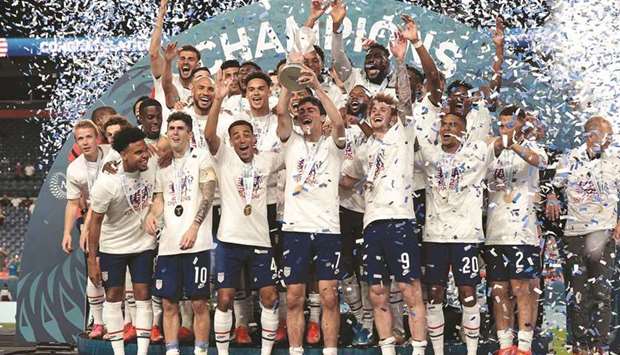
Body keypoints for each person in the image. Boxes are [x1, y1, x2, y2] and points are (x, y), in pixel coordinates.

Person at [341, 27, 428, 354]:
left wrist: (401, 60)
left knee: (409, 288)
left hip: (400, 222)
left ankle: (419, 349)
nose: (376, 111)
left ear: (393, 116)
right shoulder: (362, 147)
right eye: (373, 109)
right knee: (376, 291)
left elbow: (404, 97)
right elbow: (346, 179)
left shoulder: (403, 132)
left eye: (383, 109)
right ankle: (388, 347)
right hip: (371, 225)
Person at [417, 111, 510, 355]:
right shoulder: (429, 154)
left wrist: (512, 133)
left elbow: (501, 143)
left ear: (463, 131)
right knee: (434, 294)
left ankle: (471, 351)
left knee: (467, 293)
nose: (447, 128)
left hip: (466, 236)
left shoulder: (477, 152)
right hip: (434, 236)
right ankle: (437, 352)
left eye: (453, 125)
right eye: (444, 124)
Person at [206, 72, 283, 355]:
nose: (241, 139)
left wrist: (284, 94)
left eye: (246, 134)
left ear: (254, 139)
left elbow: (286, 135)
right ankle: (223, 352)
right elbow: (208, 135)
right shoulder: (224, 158)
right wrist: (218, 99)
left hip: (260, 240)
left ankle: (266, 352)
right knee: (225, 298)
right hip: (229, 240)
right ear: (231, 141)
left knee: (269, 295)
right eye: (235, 136)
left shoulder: (266, 159)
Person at [275, 63, 346, 355]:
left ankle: (330, 351)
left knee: (329, 296)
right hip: (295, 229)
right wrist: (287, 83)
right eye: (301, 111)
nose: (305, 114)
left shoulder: (334, 144)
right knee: (294, 297)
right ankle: (295, 351)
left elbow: (340, 122)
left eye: (311, 111)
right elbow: (280, 113)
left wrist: (317, 86)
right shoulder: (291, 142)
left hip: (327, 229)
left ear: (321, 117)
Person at [546, 116, 620, 354]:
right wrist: (551, 197)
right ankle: (579, 346)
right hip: (575, 234)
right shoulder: (570, 159)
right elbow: (552, 186)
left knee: (601, 292)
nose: (609, 142)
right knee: (576, 292)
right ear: (591, 135)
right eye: (606, 136)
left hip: (604, 233)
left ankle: (600, 346)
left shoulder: (616, 161)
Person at [143, 112, 216, 355]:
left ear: (189, 133)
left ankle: (201, 351)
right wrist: (152, 215)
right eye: (171, 128)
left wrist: (194, 227)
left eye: (180, 128)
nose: (175, 132)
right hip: (169, 244)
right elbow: (160, 198)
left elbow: (208, 195)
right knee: (168, 303)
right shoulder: (162, 165)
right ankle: (172, 352)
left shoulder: (201, 157)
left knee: (199, 302)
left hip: (197, 242)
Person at [87, 127, 158, 355]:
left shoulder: (151, 167)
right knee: (114, 296)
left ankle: (142, 352)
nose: (144, 156)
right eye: (138, 153)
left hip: (142, 244)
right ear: (123, 155)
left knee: (143, 293)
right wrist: (92, 260)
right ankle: (118, 351)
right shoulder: (107, 183)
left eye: (145, 150)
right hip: (113, 246)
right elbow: (95, 223)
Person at [483, 106, 547, 355]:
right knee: (499, 290)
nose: (504, 129)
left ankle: (524, 347)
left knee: (523, 288)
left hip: (523, 231)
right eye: (501, 124)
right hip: (495, 232)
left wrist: (514, 144)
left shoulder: (533, 147)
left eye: (509, 124)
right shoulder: (492, 150)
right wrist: (500, 143)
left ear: (521, 124)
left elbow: (538, 161)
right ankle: (504, 345)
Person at [62, 120, 110, 339]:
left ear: (97, 137)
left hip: (119, 218)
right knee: (94, 272)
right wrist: (66, 232)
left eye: (88, 136)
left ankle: (123, 321)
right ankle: (98, 322)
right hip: (92, 221)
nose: (85, 142)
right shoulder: (75, 169)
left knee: (121, 272)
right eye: (80, 138)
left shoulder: (112, 155)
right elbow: (73, 204)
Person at [338, 85, 374, 346]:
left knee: (369, 272)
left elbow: (378, 142)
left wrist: (361, 121)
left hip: (371, 209)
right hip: (343, 209)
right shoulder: (338, 127)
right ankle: (361, 320)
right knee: (346, 269)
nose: (354, 99)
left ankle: (372, 323)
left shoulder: (375, 127)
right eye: (351, 95)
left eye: (360, 95)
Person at [150, 0, 199, 110]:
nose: (185, 62)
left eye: (190, 59)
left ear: (198, 65)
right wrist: (161, 13)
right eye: (182, 58)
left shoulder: (201, 89)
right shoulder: (167, 78)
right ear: (177, 63)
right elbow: (153, 54)